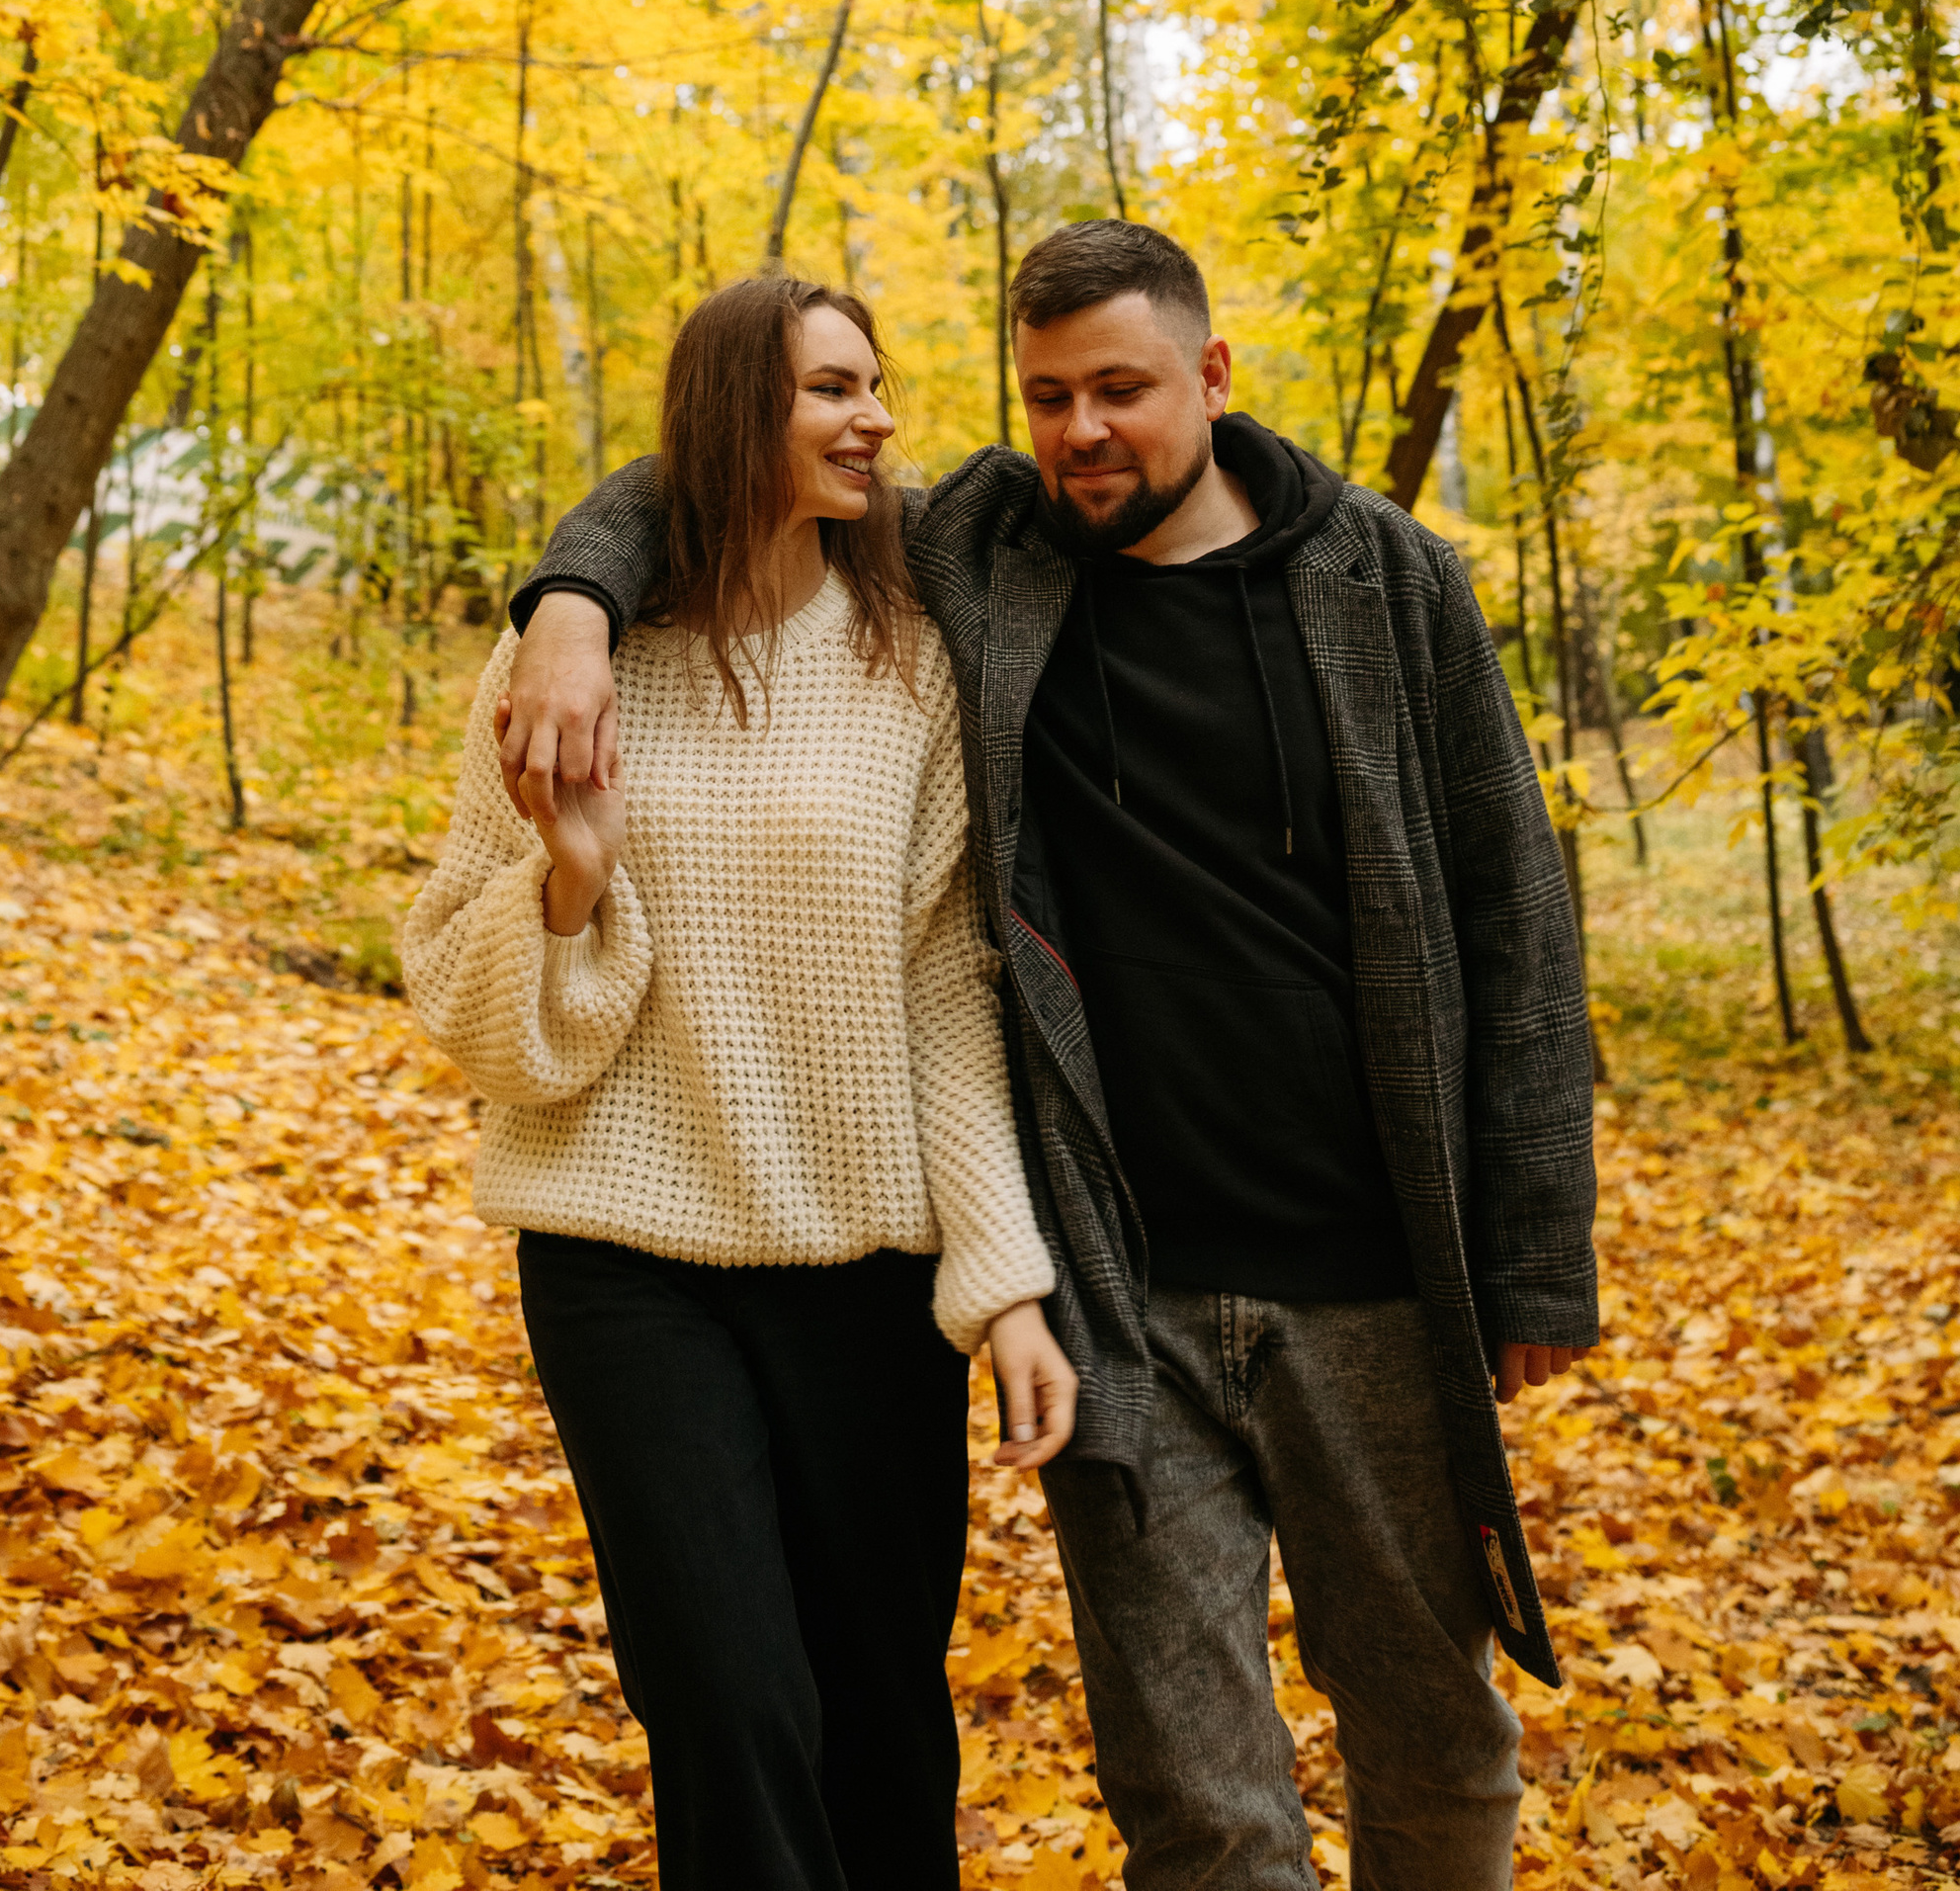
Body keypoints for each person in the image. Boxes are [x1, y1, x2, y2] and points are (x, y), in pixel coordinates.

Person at [500, 217, 1601, 1891]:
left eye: (1122, 390)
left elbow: (1518, 918)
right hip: (1120, 1285)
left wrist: (1532, 1257)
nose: (1084, 432)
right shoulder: (995, 557)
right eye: (1047, 397)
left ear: (1213, 378)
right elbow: (725, 467)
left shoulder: (1387, 579)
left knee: (1434, 1738)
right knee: (1196, 1795)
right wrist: (571, 602)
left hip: (1373, 1276)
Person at [403, 273, 1077, 1891]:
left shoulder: (914, 656)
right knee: (728, 1708)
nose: (880, 420)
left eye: (878, 384)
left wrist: (1007, 1290)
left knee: (883, 1723)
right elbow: (465, 1008)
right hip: (627, 1269)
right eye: (833, 391)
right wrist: (567, 881)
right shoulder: (566, 666)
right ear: (734, 416)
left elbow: (942, 990)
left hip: (865, 1273)